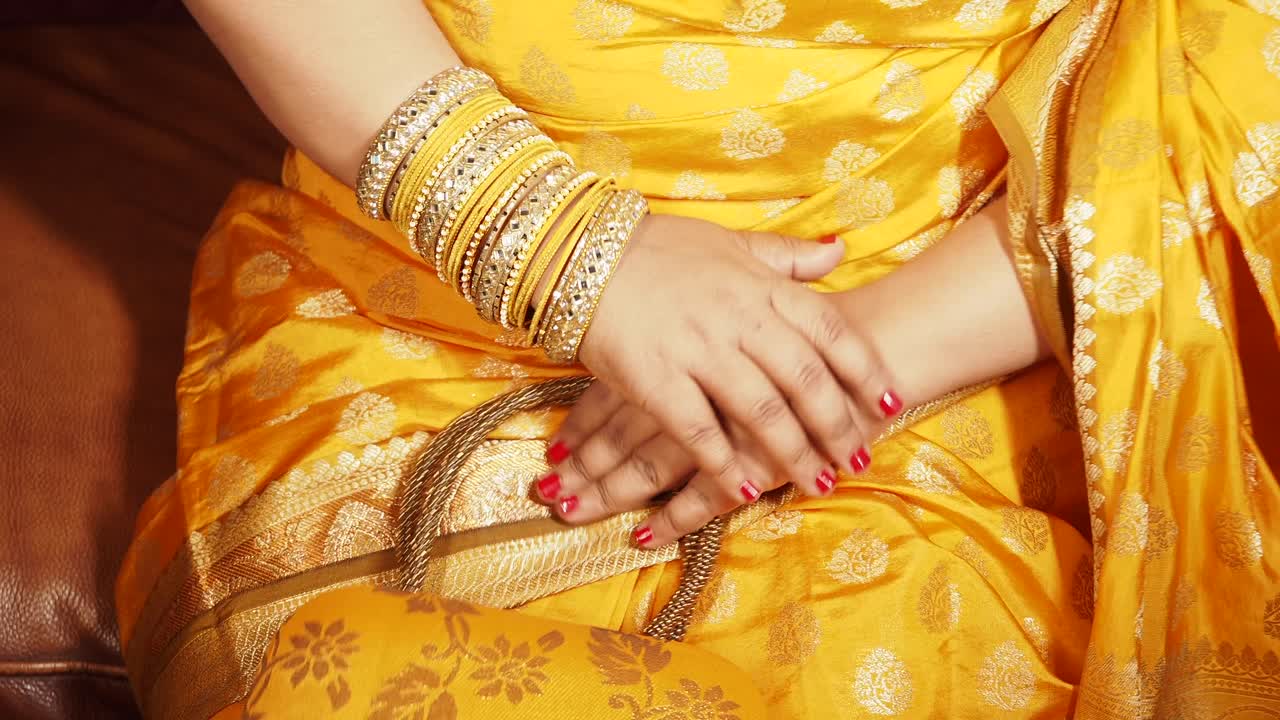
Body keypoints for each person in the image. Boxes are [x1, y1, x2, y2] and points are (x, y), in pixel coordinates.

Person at [115, 0, 1280, 718]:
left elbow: (1235, 69)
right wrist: (571, 253)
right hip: (441, 294)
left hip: (995, 317)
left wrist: (816, 368)